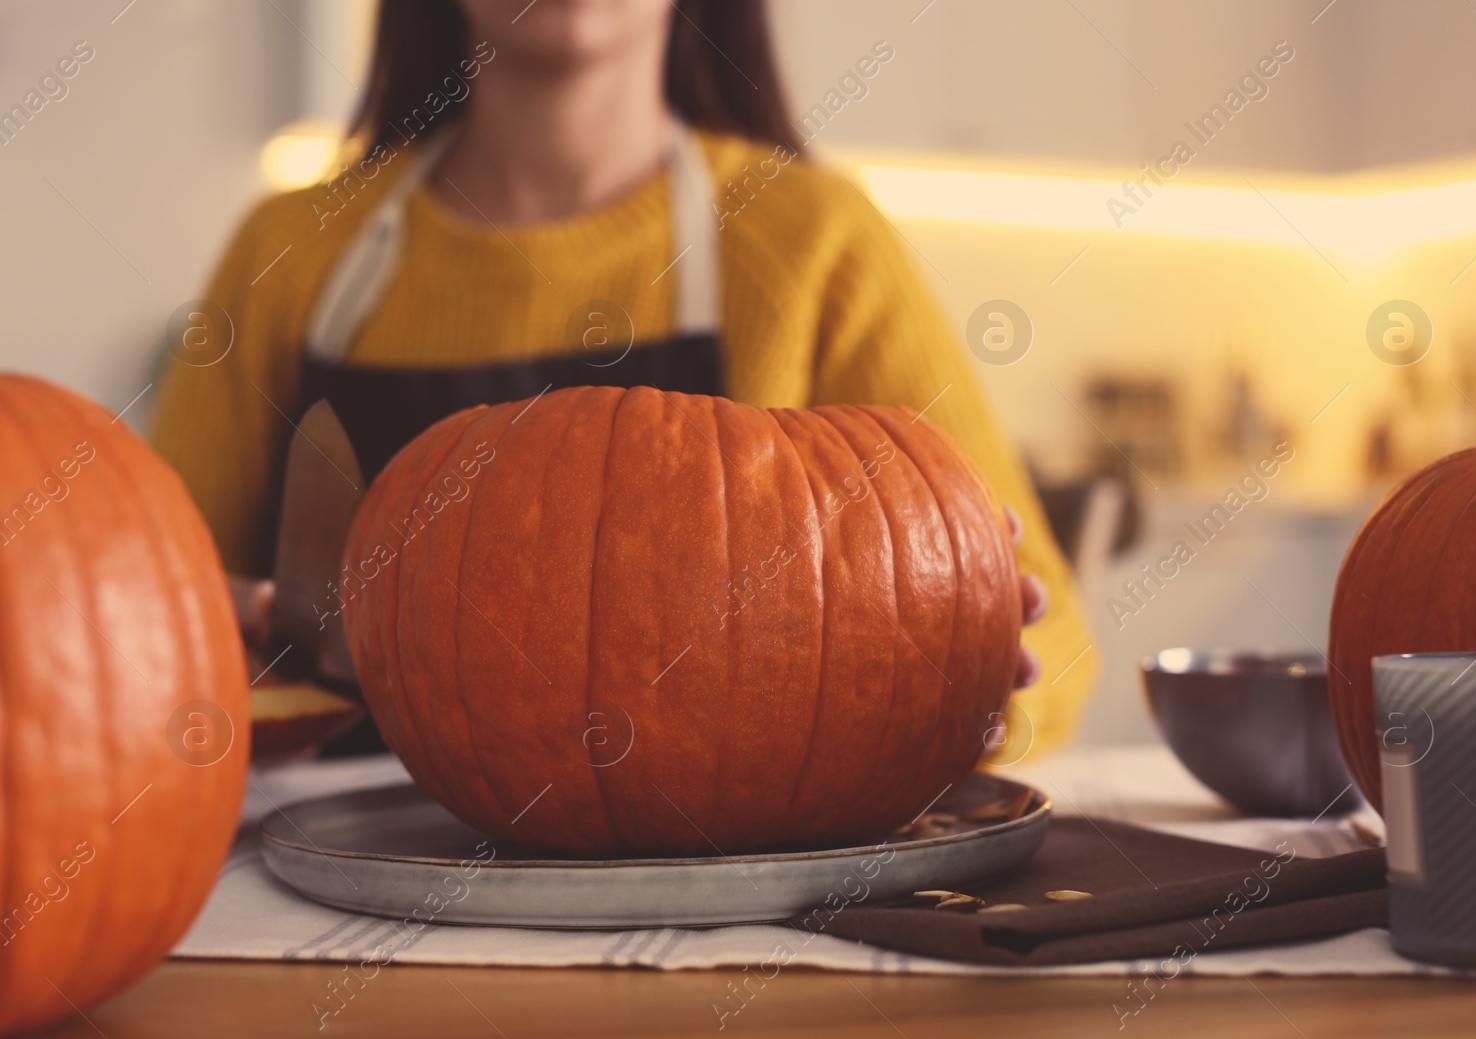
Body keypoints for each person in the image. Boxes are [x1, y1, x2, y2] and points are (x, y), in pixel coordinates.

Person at [150, 0, 1096, 752]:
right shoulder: (283, 255)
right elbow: (141, 608)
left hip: (722, 915)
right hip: (326, 905)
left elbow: (1045, 638)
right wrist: (204, 647)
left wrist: (955, 706)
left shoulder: (816, 243)